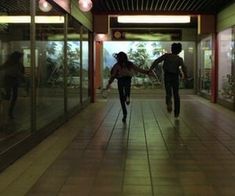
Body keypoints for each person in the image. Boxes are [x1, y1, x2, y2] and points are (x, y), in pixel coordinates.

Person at [106, 51, 148, 123]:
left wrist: (109, 83)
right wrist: (147, 72)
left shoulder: (117, 65)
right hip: (127, 79)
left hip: (121, 80)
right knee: (127, 90)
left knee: (121, 97)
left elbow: (113, 75)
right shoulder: (129, 64)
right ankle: (127, 97)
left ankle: (125, 113)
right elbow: (138, 69)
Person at [148, 43, 187, 118]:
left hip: (167, 76)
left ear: (172, 49)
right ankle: (176, 112)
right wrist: (185, 75)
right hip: (175, 77)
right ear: (179, 51)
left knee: (168, 92)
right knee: (176, 94)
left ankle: (169, 103)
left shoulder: (166, 56)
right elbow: (183, 68)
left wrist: (150, 69)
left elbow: (157, 61)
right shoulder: (179, 59)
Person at [0, 51, 25, 119]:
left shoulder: (14, 63)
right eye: (20, 57)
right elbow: (18, 72)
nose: (21, 58)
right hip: (9, 79)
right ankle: (8, 112)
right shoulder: (12, 63)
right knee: (9, 96)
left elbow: (19, 72)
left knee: (13, 96)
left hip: (12, 79)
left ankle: (9, 112)